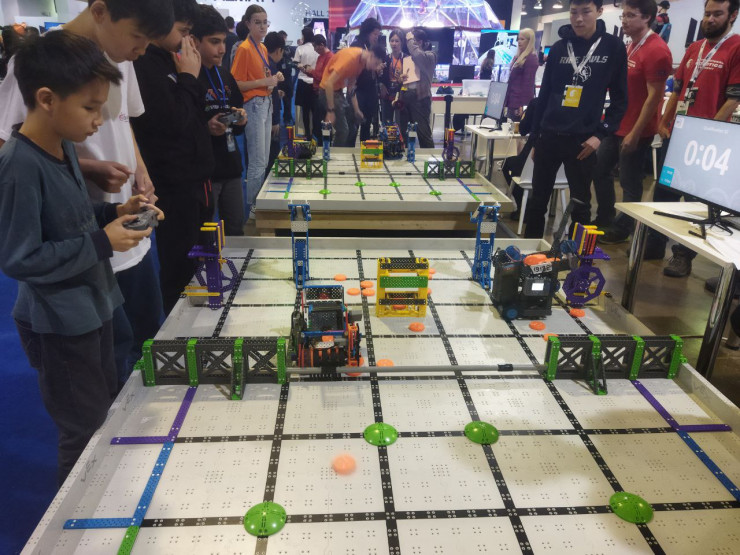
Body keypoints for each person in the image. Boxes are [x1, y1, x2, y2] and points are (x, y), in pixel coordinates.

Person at [0, 31, 163, 485]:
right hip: (60, 323)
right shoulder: (18, 165)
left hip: (96, 304)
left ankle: (105, 488)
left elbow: (71, 216)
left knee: (105, 402)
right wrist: (101, 243)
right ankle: (79, 514)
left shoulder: (63, 146)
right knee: (82, 427)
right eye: (90, 108)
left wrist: (116, 211)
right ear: (46, 99)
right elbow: (19, 258)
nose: (98, 121)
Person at [0, 0, 173, 388]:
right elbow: (15, 143)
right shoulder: (41, 63)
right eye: (137, 36)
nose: (141, 50)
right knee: (93, 376)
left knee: (134, 339)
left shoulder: (117, 60)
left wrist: (136, 177)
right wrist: (91, 170)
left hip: (108, 239)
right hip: (77, 261)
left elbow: (123, 124)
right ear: (99, 12)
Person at [131, 0, 215, 315]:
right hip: (171, 183)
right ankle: (178, 332)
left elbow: (193, 113)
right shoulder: (144, 65)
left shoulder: (172, 58)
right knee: (179, 266)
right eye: (183, 31)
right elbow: (172, 124)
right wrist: (189, 78)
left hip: (196, 177)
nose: (187, 39)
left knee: (201, 260)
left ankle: (198, 322)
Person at [647, 0, 740, 278]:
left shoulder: (736, 47)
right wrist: (664, 121)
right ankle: (654, 243)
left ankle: (683, 255)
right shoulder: (694, 48)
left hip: (708, 143)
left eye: (717, 14)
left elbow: (733, 98)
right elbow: (677, 90)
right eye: (707, 13)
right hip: (678, 135)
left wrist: (708, 131)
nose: (710, 19)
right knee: (663, 193)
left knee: (696, 204)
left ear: (732, 16)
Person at [523, 0, 627, 239]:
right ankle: (530, 254)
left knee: (580, 206)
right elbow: (544, 95)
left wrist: (600, 134)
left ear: (599, 12)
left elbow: (620, 99)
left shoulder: (612, 47)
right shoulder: (560, 47)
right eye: (573, 13)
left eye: (586, 12)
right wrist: (535, 137)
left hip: (583, 141)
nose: (579, 18)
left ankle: (575, 258)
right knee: (537, 202)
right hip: (549, 136)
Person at [593, 0, 672, 243]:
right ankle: (605, 217)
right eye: (623, 15)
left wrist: (635, 133)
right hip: (617, 123)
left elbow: (654, 98)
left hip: (637, 128)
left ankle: (623, 228)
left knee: (629, 181)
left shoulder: (657, 50)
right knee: (599, 169)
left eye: (630, 15)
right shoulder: (631, 45)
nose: (624, 20)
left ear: (647, 17)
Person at [193, 5, 247, 236]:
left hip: (231, 166)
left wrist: (240, 120)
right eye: (214, 42)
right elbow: (178, 126)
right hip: (204, 172)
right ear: (195, 41)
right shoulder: (188, 77)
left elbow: (237, 114)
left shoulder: (224, 75)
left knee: (236, 229)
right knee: (203, 235)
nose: (222, 49)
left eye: (223, 41)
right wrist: (205, 128)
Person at [231, 4, 284, 220]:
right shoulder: (244, 49)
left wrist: (273, 80)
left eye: (265, 22)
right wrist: (264, 82)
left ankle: (258, 203)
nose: (262, 27)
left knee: (264, 159)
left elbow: (262, 76)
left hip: (266, 103)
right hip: (253, 106)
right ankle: (253, 207)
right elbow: (236, 83)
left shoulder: (261, 48)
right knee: (257, 161)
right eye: (257, 22)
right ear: (248, 24)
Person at [320, 44, 386, 147]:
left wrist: (357, 110)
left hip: (337, 91)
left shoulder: (361, 62)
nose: (375, 68)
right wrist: (330, 110)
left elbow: (351, 87)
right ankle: (335, 155)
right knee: (343, 131)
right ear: (371, 55)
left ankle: (344, 153)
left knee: (352, 128)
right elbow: (329, 83)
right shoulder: (350, 59)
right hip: (327, 91)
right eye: (376, 63)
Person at [400, 28, 437, 148]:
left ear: (420, 42)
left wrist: (410, 39)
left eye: (413, 41)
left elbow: (418, 55)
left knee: (423, 134)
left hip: (421, 98)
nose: (409, 45)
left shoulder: (430, 56)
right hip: (407, 96)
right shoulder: (409, 58)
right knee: (404, 134)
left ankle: (429, 157)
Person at [350, 18, 383, 143]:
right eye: (375, 34)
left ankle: (365, 150)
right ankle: (348, 151)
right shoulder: (357, 46)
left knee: (367, 124)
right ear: (367, 32)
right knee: (354, 126)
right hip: (359, 90)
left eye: (378, 35)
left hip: (370, 91)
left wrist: (376, 69)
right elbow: (353, 71)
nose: (376, 37)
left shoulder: (370, 47)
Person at [264, 31, 286, 181]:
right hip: (269, 116)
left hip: (263, 113)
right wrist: (276, 120)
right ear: (279, 50)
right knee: (271, 153)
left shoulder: (263, 62)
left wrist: (276, 92)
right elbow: (271, 97)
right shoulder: (270, 67)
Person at [504, 28, 539, 121]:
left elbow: (528, 84)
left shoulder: (531, 58)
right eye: (518, 39)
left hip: (519, 104)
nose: (519, 41)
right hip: (512, 101)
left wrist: (523, 105)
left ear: (529, 41)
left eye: (522, 39)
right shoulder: (518, 57)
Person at [304, 34, 333, 142]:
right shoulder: (320, 57)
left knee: (323, 124)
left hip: (324, 94)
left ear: (321, 45)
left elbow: (325, 77)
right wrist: (307, 71)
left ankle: (325, 145)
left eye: (315, 46)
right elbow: (317, 75)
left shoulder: (330, 57)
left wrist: (311, 71)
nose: (314, 49)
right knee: (317, 123)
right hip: (317, 92)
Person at [294, 27, 318, 137]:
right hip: (315, 81)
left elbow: (296, 63)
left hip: (303, 81)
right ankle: (316, 134)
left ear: (304, 36)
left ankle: (307, 134)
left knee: (305, 110)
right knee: (315, 109)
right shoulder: (316, 48)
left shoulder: (300, 48)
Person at [379, 29, 407, 125]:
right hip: (387, 92)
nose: (394, 44)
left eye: (397, 41)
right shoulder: (385, 58)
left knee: (401, 122)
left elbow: (410, 78)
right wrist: (381, 84)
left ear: (401, 42)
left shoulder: (407, 58)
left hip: (401, 93)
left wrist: (401, 78)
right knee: (387, 122)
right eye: (392, 41)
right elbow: (379, 76)